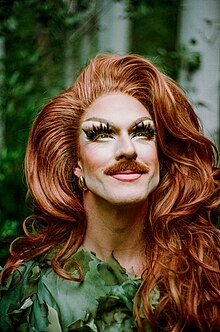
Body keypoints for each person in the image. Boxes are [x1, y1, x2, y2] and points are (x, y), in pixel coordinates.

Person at [0, 54, 219, 332]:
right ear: (76, 164)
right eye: (102, 134)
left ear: (161, 157)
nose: (128, 149)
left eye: (143, 132)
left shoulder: (206, 274)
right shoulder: (29, 289)